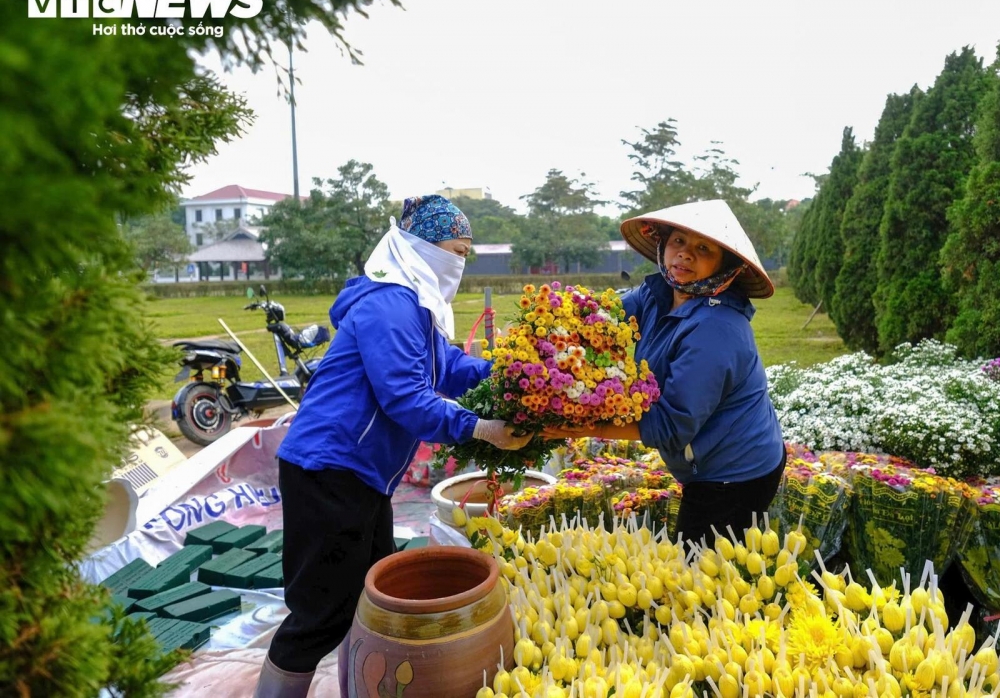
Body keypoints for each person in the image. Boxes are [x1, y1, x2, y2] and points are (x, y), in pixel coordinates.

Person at [254, 195, 531, 698]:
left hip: (359, 476)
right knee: (320, 613)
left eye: (467, 254)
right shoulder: (391, 304)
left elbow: (446, 366)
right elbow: (407, 398)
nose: (460, 263)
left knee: (371, 595)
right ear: (420, 246)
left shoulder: (417, 305)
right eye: (455, 250)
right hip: (329, 470)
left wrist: (514, 375)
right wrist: (481, 428)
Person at [544, 199, 785, 551]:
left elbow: (672, 426)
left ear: (724, 266)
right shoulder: (658, 294)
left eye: (703, 248)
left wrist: (585, 427)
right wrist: (547, 326)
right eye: (678, 242)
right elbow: (602, 317)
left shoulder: (716, 330)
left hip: (735, 473)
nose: (685, 255)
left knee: (700, 574)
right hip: (705, 459)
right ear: (663, 245)